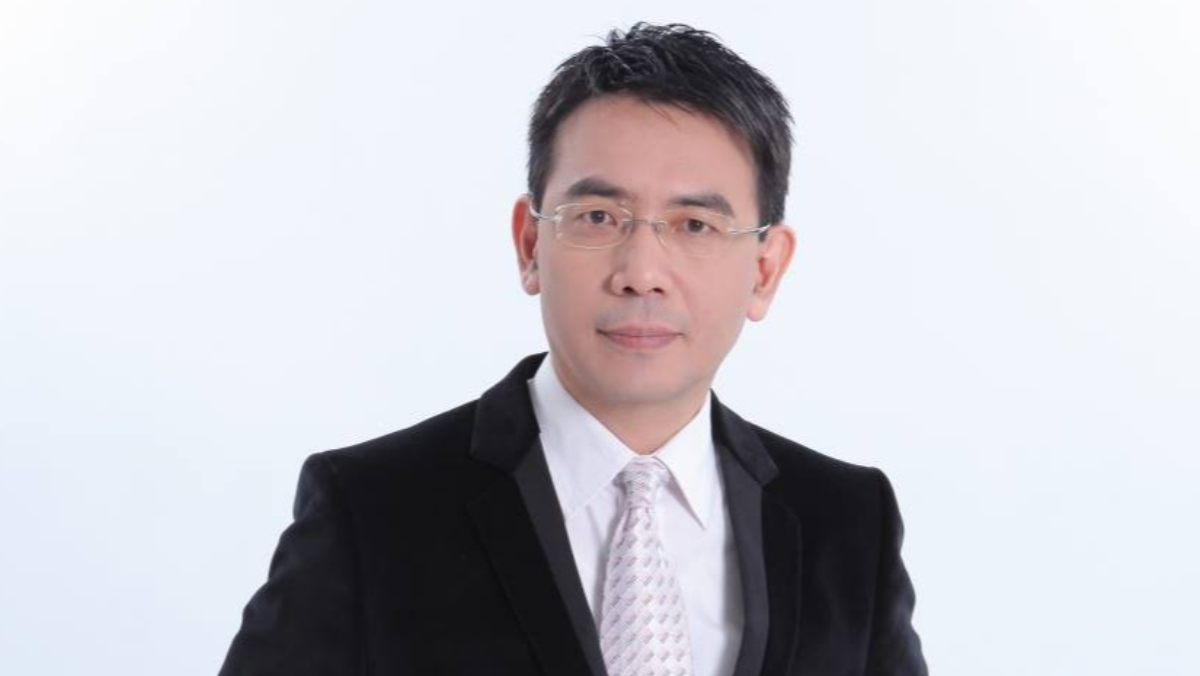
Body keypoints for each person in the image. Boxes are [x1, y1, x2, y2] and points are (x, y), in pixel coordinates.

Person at [218, 22, 927, 676]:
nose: (641, 273)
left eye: (695, 225)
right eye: (598, 217)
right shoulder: (371, 512)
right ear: (530, 245)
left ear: (765, 269)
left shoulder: (845, 522)